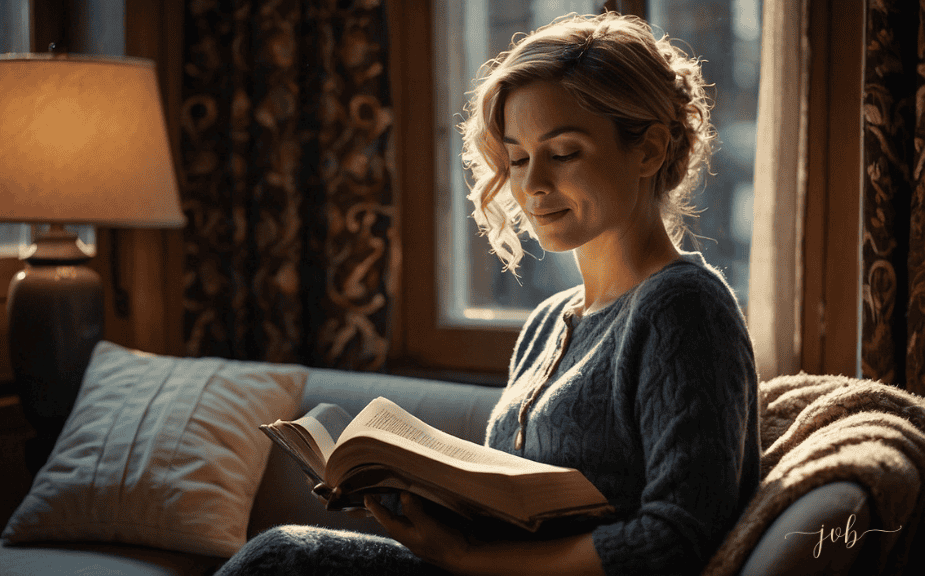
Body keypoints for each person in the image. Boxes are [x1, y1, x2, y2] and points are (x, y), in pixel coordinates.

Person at [216, 11, 759, 576]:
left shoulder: (684, 307)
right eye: (518, 159)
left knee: (284, 560)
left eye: (565, 152)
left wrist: (467, 555)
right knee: (280, 555)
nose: (532, 185)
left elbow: (677, 539)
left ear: (648, 150)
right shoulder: (550, 321)